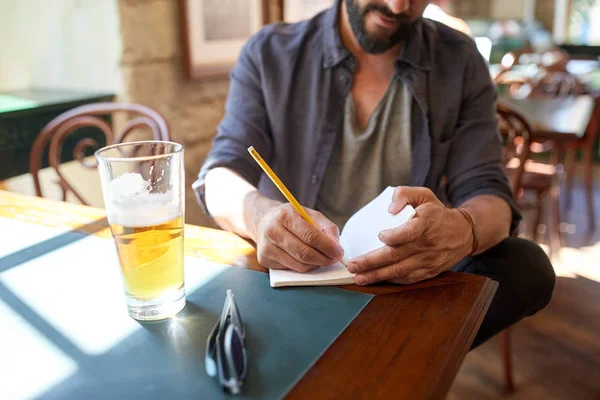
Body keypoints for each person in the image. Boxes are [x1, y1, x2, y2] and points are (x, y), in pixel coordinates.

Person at [193, 0, 555, 348]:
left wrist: (463, 229)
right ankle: (388, 361)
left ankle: (382, 357)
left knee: (527, 267)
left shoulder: (459, 60)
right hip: (297, 278)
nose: (397, 7)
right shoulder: (271, 53)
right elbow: (220, 176)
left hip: (403, 286)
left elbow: (490, 194)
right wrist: (261, 217)